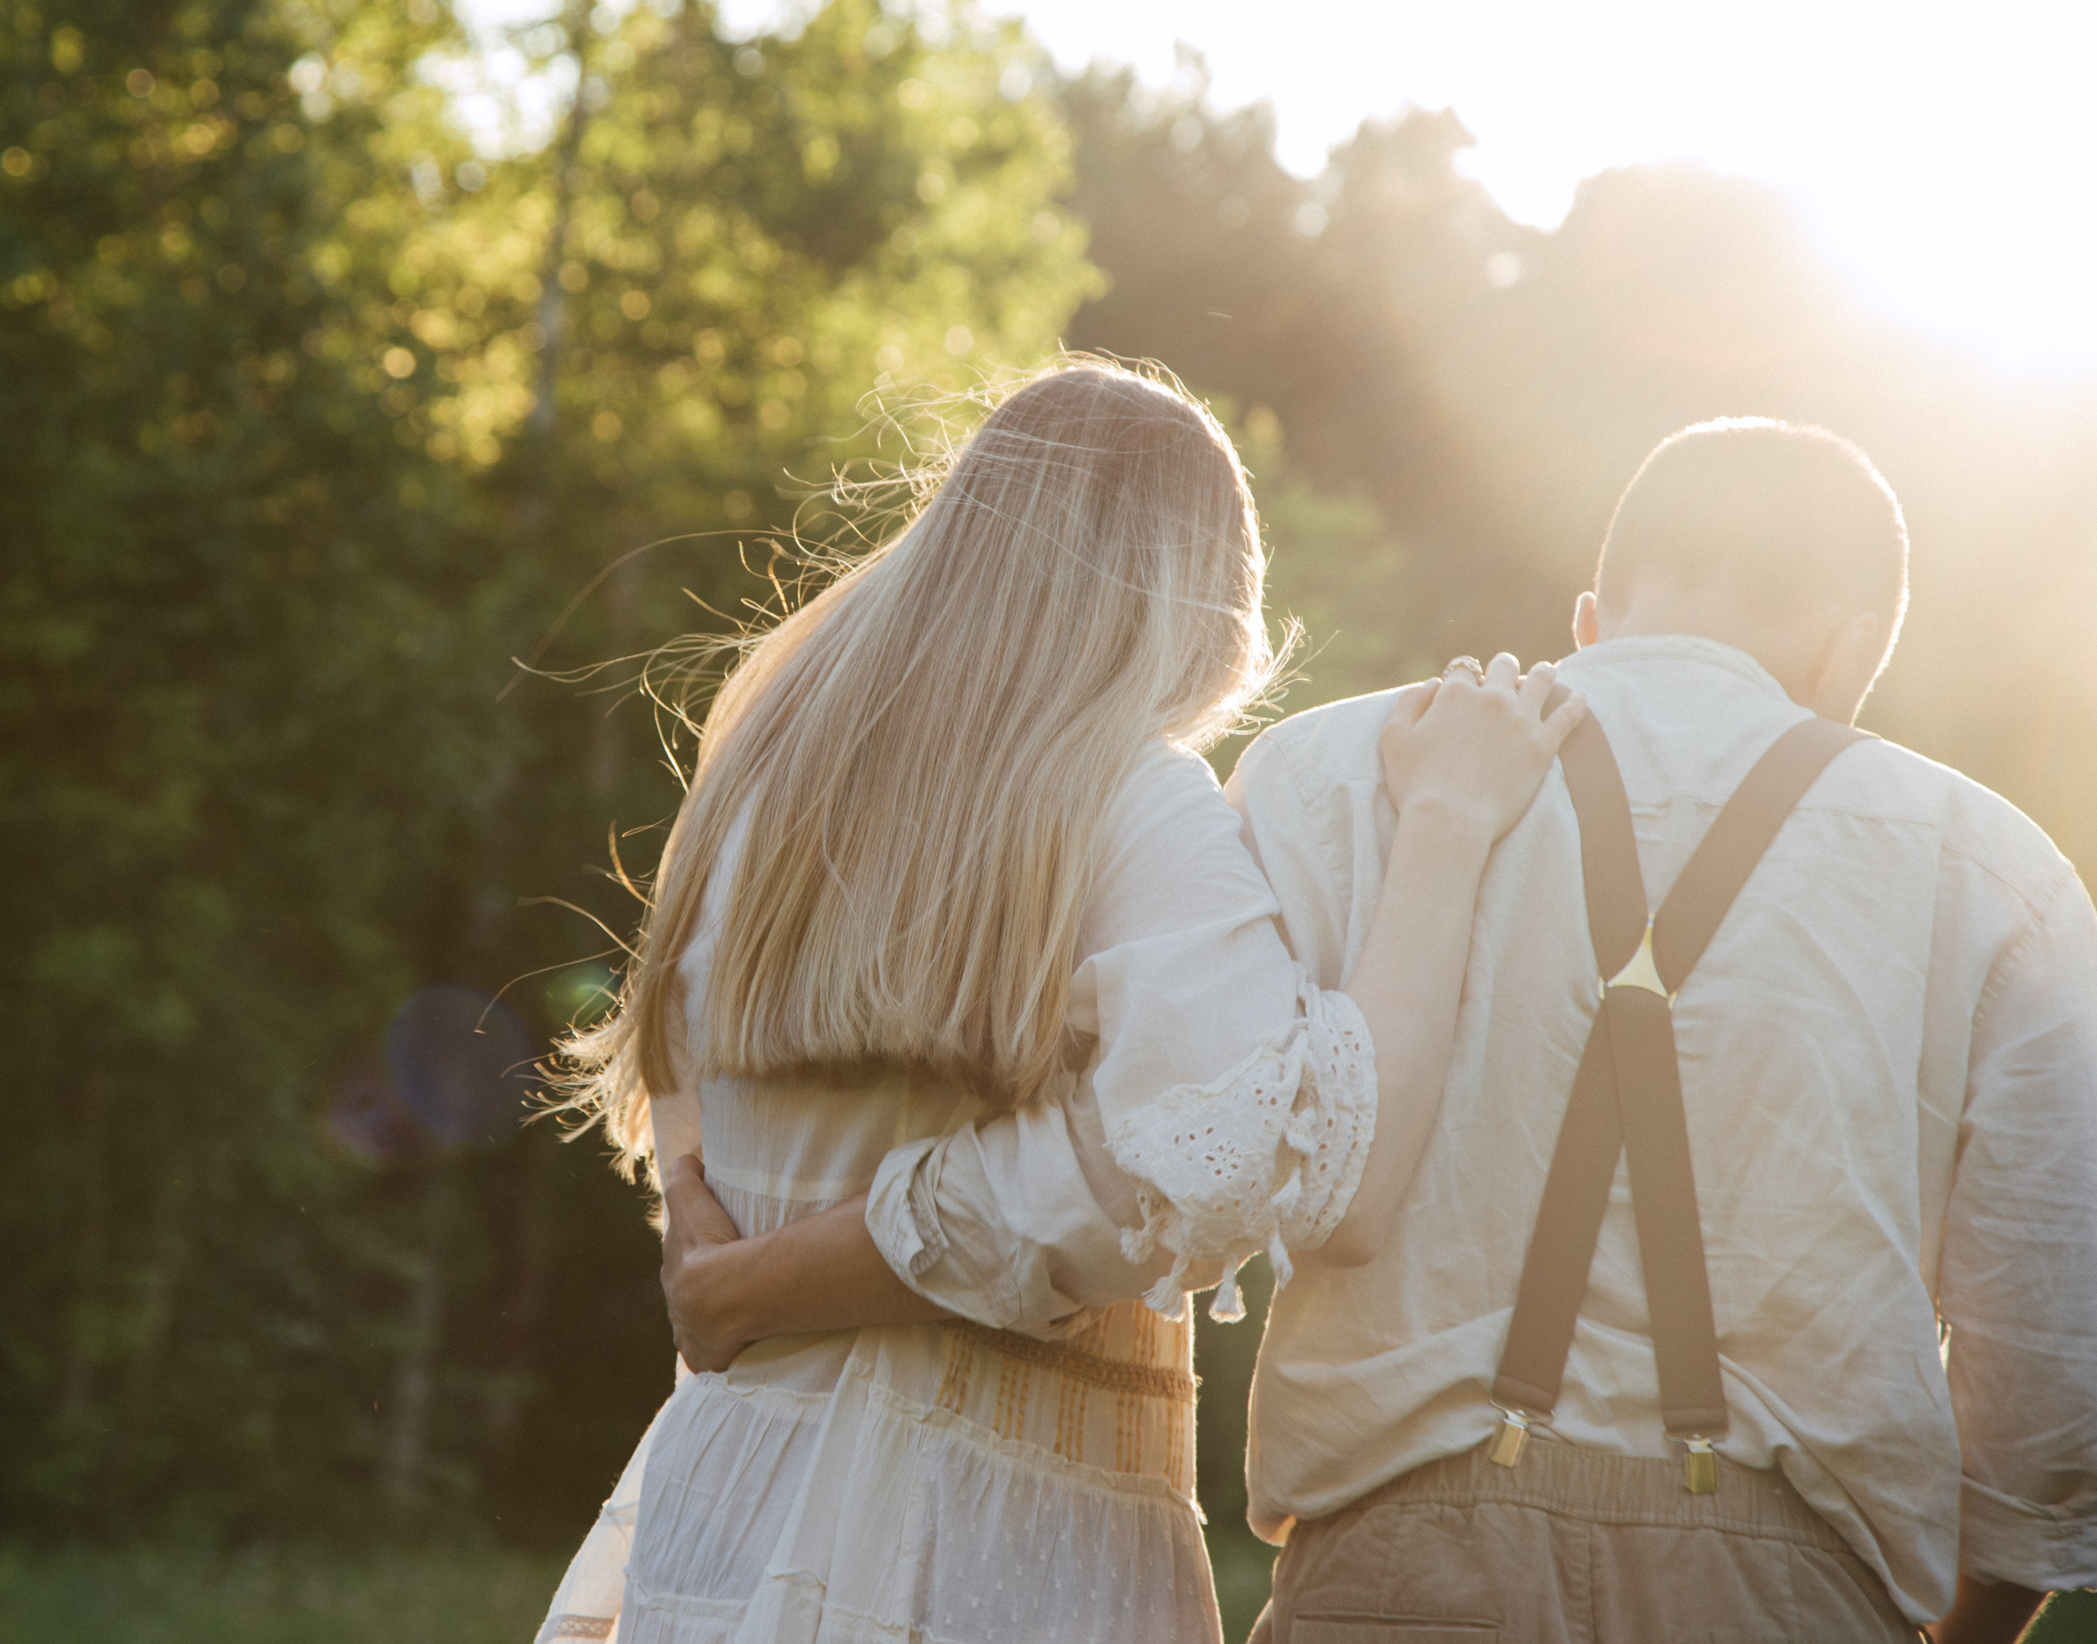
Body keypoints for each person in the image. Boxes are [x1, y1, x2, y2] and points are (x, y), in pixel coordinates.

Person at [664, 417, 2097, 1643]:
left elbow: (1150, 1146)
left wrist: (775, 1263)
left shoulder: (1326, 773)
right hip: (1787, 1585)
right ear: (1851, 653)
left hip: (1399, 1572)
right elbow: (2048, 1354)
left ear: (1595, 614)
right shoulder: (1997, 871)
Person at [534, 360, 1581, 1644]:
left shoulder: (758, 785)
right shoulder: (1131, 803)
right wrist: (1445, 828)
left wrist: (752, 1280)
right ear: (1203, 605)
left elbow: (685, 1118)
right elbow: (1235, 1149)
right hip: (974, 1545)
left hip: (729, 1501)